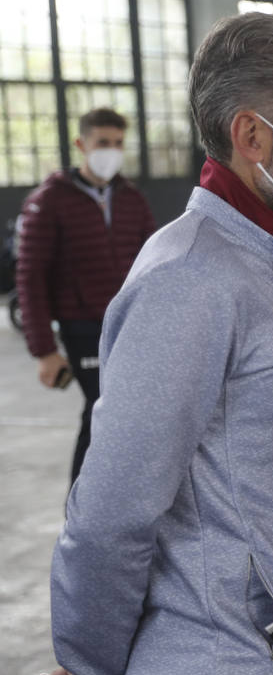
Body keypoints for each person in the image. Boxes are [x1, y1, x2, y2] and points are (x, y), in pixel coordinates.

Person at [41, 13, 273, 675]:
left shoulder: (271, 264)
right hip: (231, 672)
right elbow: (109, 514)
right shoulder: (190, 281)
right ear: (253, 136)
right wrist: (96, 661)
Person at [15, 107, 155, 484]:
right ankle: (80, 512)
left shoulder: (131, 199)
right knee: (101, 410)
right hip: (82, 327)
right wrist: (44, 350)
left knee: (133, 414)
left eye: (118, 143)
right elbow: (30, 277)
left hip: (130, 324)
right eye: (103, 143)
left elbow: (154, 266)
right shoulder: (49, 201)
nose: (112, 150)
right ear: (82, 144)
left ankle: (122, 498)